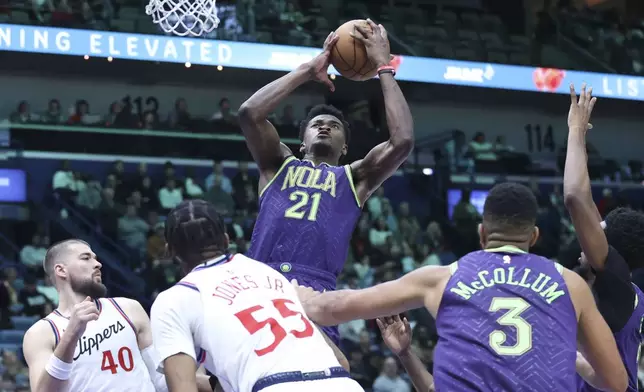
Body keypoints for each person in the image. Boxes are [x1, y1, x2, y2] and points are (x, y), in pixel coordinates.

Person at [294, 182, 628, 392]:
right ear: (534, 237)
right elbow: (616, 382)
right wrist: (568, 357)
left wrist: (301, 294)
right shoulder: (570, 284)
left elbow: (333, 308)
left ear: (483, 233)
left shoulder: (442, 277)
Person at [239, 20, 414, 349]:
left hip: (316, 289)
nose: (324, 128)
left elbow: (402, 141)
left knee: (327, 373)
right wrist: (308, 69)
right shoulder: (277, 165)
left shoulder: (354, 178)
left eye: (334, 126)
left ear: (345, 147)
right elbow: (250, 113)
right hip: (260, 280)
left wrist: (383, 67)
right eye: (317, 124)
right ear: (302, 141)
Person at [149, 200, 364, 392]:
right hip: (341, 383)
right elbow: (341, 361)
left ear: (170, 251)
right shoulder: (271, 274)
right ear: (226, 240)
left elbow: (183, 387)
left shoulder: (174, 299)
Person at [21, 239, 213, 392]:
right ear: (61, 270)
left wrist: (214, 383)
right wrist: (70, 335)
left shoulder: (128, 308)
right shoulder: (41, 333)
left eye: (96, 258)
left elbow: (163, 379)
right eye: (86, 258)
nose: (97, 264)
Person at [563, 83, 644, 392]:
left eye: (600, 230)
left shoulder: (617, 282)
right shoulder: (623, 290)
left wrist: (576, 131)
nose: (589, 232)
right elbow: (583, 199)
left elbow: (573, 197)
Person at [377, 316, 434, 392]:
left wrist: (405, 353)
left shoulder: (402, 382)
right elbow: (431, 389)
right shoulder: (379, 383)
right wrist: (405, 352)